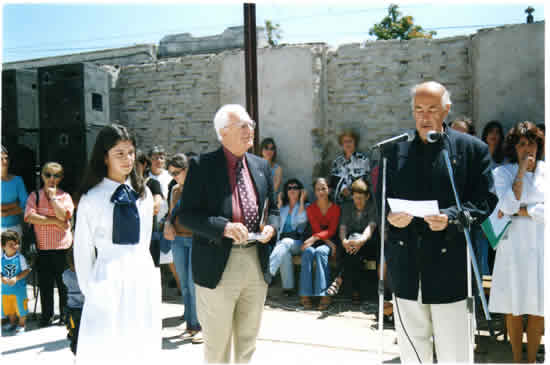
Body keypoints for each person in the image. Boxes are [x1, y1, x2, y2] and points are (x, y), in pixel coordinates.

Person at [383, 81, 495, 363]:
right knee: (412, 353)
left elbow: (485, 201)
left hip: (450, 267)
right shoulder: (394, 150)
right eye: (418, 109)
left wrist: (452, 217)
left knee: (454, 352)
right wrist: (389, 216)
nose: (424, 116)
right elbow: (379, 198)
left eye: (432, 109)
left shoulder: (472, 150)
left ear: (446, 110)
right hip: (407, 265)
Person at [172, 104, 278, 363]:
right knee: (218, 346)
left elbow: (273, 209)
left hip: (255, 262)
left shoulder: (261, 166)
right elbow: (185, 215)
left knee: (247, 343)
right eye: (242, 125)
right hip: (218, 265)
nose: (249, 130)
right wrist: (224, 228)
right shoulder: (202, 165)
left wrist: (272, 227)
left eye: (250, 124)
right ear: (223, 132)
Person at [73, 124, 161, 364]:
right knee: (106, 347)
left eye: (131, 152)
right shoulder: (91, 198)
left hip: (140, 276)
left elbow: (144, 242)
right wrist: (90, 290)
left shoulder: (142, 195)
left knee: (139, 344)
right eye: (119, 153)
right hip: (106, 278)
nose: (127, 159)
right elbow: (82, 250)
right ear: (104, 157)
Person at [489, 121, 544, 363]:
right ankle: (516, 360)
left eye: (531, 143)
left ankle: (532, 360)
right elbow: (507, 206)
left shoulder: (547, 171)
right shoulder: (502, 173)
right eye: (522, 144)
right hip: (512, 246)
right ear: (514, 148)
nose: (527, 149)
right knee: (514, 304)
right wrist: (521, 173)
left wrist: (524, 211)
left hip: (541, 244)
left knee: (538, 305)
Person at [24, 161, 74, 327]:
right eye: (48, 175)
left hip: (62, 247)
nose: (52, 179)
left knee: (64, 284)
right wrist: (55, 221)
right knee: (45, 284)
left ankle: (65, 315)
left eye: (56, 175)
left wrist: (52, 198)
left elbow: (64, 217)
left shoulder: (64, 196)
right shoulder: (34, 196)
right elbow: (30, 217)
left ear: (61, 178)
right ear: (42, 176)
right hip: (43, 247)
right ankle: (47, 315)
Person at [163, 153, 203, 343]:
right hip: (178, 239)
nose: (174, 176)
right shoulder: (175, 190)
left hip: (195, 239)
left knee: (193, 284)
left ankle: (197, 326)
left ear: (186, 170)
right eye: (171, 173)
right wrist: (168, 224)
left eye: (176, 172)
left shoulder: (200, 188)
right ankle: (190, 322)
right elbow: (171, 213)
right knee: (184, 284)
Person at [326, 178, 377, 305]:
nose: (357, 201)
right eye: (355, 198)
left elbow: (370, 228)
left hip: (368, 243)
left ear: (367, 196)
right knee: (353, 253)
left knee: (355, 246)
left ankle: (339, 279)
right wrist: (344, 240)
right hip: (351, 245)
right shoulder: (347, 206)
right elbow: (343, 227)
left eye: (360, 198)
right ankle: (356, 292)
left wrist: (361, 240)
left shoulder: (372, 207)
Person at [300, 177, 340, 311]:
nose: (321, 191)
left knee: (321, 252)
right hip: (318, 239)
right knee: (308, 251)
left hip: (328, 239)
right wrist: (316, 239)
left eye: (323, 188)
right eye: (318, 189)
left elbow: (332, 230)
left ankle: (324, 294)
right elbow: (316, 228)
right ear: (315, 192)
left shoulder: (335, 208)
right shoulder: (311, 208)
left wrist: (314, 239)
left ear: (329, 190)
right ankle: (305, 293)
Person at [148, 145, 181, 295]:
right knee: (152, 260)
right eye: (155, 157)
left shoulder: (169, 177)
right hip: (150, 222)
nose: (158, 160)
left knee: (172, 259)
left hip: (168, 221)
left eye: (161, 157)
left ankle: (182, 289)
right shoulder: (145, 178)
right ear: (150, 160)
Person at [268, 178, 308, 296]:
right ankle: (288, 288)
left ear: (300, 191)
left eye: (295, 188)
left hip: (298, 243)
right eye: (289, 188)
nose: (292, 190)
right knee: (285, 252)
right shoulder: (283, 208)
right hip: (282, 244)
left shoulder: (306, 206)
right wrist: (279, 204)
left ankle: (268, 273)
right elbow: (275, 224)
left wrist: (301, 202)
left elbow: (302, 221)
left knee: (285, 242)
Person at [477, 120, 506, 274]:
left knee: (495, 248)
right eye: (491, 132)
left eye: (497, 132)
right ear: (485, 135)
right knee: (482, 248)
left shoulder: (504, 159)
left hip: (498, 208)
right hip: (482, 207)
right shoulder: (478, 153)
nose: (494, 135)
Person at [1, 230, 31, 334]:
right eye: (11, 244)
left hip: (19, 290)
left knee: (21, 307)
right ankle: (12, 323)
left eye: (17, 243)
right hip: (6, 290)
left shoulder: (20, 258)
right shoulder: (1, 259)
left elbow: (26, 270)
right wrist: (2, 278)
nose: (15, 246)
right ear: (3, 246)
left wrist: (16, 278)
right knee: (9, 309)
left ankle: (22, 324)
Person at [329, 130, 370, 204]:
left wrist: (352, 191)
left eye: (350, 141)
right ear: (341, 144)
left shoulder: (363, 160)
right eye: (345, 142)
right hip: (340, 201)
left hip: (357, 201)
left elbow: (366, 180)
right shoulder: (337, 161)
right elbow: (334, 180)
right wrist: (343, 189)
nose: (347, 144)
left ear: (355, 143)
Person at [1, 145, 29, 236]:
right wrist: (14, 205)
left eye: (6, 158)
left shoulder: (17, 180)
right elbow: (19, 206)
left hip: (14, 228)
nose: (5, 161)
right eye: (1, 159)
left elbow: (26, 205)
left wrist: (5, 212)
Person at [62, 247, 84, 355]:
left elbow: (65, 283)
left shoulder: (66, 274)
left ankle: (74, 348)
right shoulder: (85, 275)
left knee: (74, 330)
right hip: (84, 308)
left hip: (71, 308)